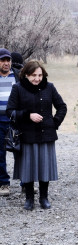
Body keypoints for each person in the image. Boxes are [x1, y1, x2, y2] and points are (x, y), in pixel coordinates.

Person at [6, 60, 67, 210]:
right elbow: (10, 111)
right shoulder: (18, 88)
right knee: (28, 168)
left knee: (44, 167)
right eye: (34, 75)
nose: (37, 78)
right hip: (26, 135)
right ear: (26, 74)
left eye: (40, 75)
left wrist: (54, 123)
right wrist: (28, 115)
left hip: (46, 134)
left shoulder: (49, 87)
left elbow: (62, 107)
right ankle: (29, 199)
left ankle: (44, 198)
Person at [0, 48, 20, 196]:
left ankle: (25, 183)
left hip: (16, 121)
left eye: (8, 60)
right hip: (0, 122)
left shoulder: (18, 76)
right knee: (0, 154)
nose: (6, 63)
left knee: (21, 152)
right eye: (3, 60)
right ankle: (4, 184)